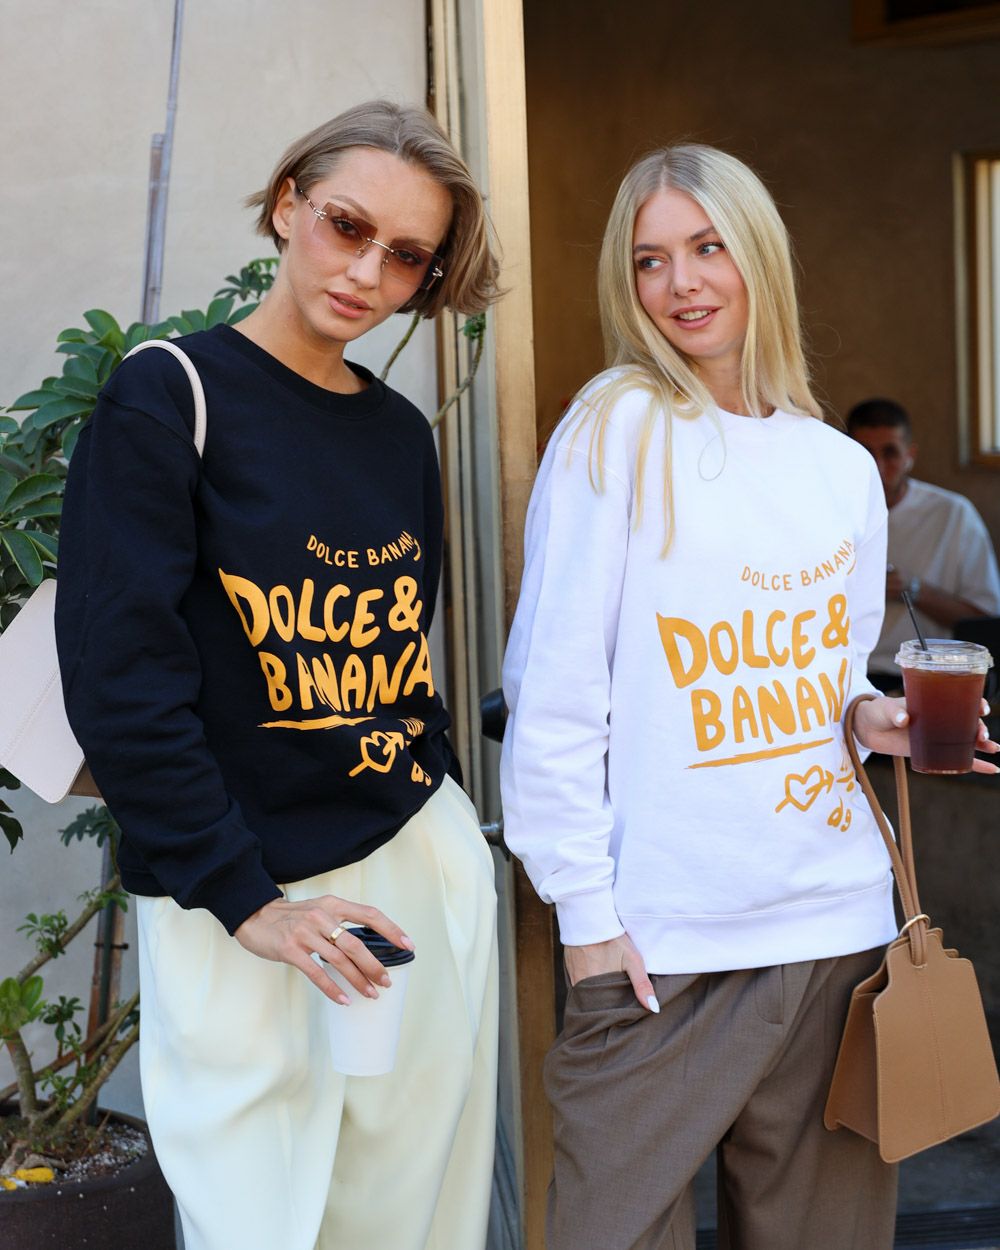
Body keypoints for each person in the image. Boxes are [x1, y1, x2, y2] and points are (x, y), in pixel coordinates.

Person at [499, 145, 998, 1250]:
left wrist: (869, 715)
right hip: (660, 946)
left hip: (837, 928)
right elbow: (554, 690)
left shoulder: (837, 467)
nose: (681, 282)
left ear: (758, 254)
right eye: (650, 260)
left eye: (707, 246)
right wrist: (586, 920)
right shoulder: (617, 428)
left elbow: (830, 671)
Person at [55, 101, 501, 1250]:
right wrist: (245, 897)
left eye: (406, 255)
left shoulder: (398, 434)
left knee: (407, 1220)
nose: (366, 272)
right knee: (252, 1216)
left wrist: (448, 831)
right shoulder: (168, 396)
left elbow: (401, 661)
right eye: (347, 225)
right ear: (289, 203)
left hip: (409, 866)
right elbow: (123, 678)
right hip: (237, 892)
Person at [847, 397, 1000, 689]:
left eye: (890, 453)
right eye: (866, 453)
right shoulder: (830, 513)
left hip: (928, 674)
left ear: (910, 455)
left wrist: (914, 590)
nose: (878, 467)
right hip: (850, 673)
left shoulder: (953, 514)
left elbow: (986, 621)